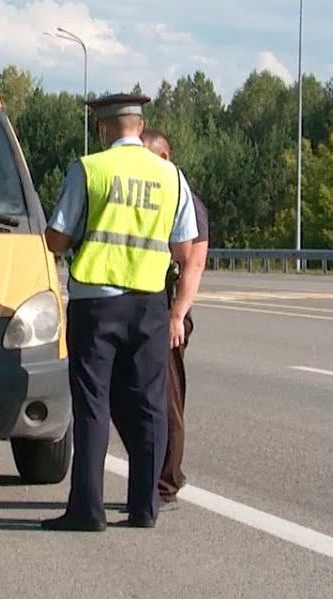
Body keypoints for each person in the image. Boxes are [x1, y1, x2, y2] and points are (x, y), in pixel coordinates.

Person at [41, 93, 199, 532]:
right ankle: (145, 507)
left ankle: (87, 511)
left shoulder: (91, 169)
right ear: (139, 125)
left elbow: (57, 237)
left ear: (103, 128)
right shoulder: (170, 175)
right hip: (149, 303)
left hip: (97, 303)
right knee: (149, 404)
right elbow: (184, 247)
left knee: (93, 405)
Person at [116, 129, 209, 508]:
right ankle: (153, 470)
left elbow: (194, 263)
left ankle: (166, 482)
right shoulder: (153, 197)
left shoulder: (185, 200)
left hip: (168, 313)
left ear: (166, 159)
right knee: (131, 396)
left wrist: (177, 316)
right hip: (140, 309)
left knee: (166, 399)